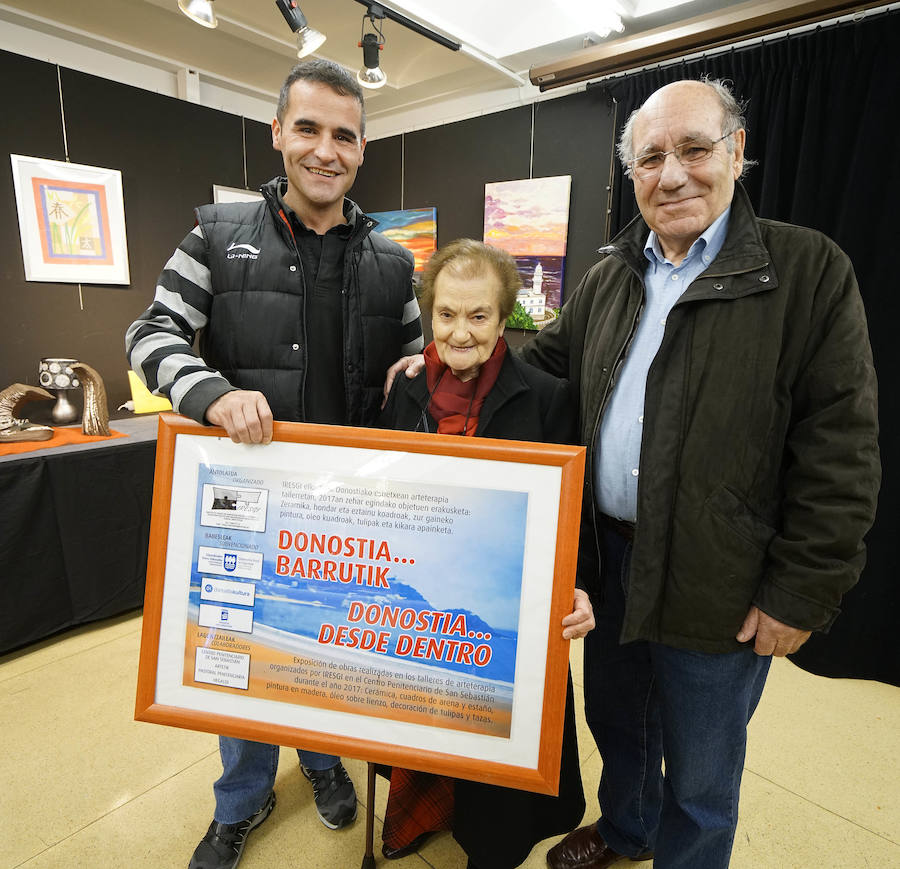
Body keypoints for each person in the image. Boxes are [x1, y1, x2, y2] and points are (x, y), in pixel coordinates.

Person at [387, 78, 880, 869]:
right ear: (632, 172)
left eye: (693, 149)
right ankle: (626, 831)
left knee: (702, 770)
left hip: (720, 575)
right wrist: (452, 357)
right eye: (651, 156)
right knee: (621, 727)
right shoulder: (610, 272)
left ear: (738, 152)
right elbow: (544, 367)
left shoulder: (807, 271)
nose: (672, 173)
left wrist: (800, 591)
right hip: (609, 562)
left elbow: (842, 450)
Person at [126, 59, 423, 869]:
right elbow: (149, 336)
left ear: (363, 149)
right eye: (309, 128)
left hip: (350, 513)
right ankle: (243, 796)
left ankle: (323, 758)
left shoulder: (395, 264)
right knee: (238, 653)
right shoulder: (214, 237)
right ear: (278, 134)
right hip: (244, 504)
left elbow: (425, 364)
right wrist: (212, 392)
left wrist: (422, 377)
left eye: (345, 135)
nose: (326, 149)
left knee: (325, 641)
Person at [379, 239, 594, 869]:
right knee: (422, 724)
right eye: (447, 315)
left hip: (501, 617)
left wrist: (581, 586)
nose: (461, 332)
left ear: (504, 321)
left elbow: (569, 513)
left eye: (478, 316)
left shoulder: (548, 398)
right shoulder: (405, 393)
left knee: (499, 768)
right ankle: (428, 811)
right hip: (420, 609)